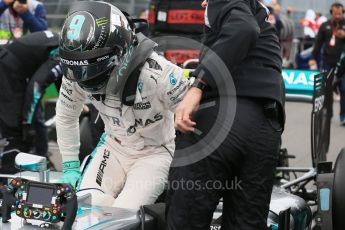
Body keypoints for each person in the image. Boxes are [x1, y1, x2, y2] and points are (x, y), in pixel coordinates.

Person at [57, 1, 191, 210]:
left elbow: (198, 115)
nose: (85, 79)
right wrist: (70, 166)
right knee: (87, 207)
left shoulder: (160, 74)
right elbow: (66, 115)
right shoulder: (76, 71)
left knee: (123, 214)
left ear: (121, 52)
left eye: (94, 69)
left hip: (155, 153)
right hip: (113, 146)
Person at [166, 0, 285, 229]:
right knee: (247, 222)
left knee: (186, 218)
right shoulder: (260, 14)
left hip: (221, 120)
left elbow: (243, 28)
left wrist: (197, 86)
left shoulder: (227, 4)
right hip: (265, 126)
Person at [0, 30, 61, 173]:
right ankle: (10, 176)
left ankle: (41, 161)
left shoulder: (62, 43)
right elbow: (36, 86)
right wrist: (26, 123)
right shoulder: (64, 54)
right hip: (8, 72)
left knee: (36, 118)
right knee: (18, 129)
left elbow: (60, 80)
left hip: (15, 70)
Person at [309, 2, 345, 125]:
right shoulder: (325, 26)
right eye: (335, 14)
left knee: (344, 89)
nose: (337, 16)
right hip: (327, 62)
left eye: (340, 14)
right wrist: (313, 57)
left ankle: (343, 116)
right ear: (331, 13)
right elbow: (318, 42)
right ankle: (328, 114)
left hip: (343, 65)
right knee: (327, 90)